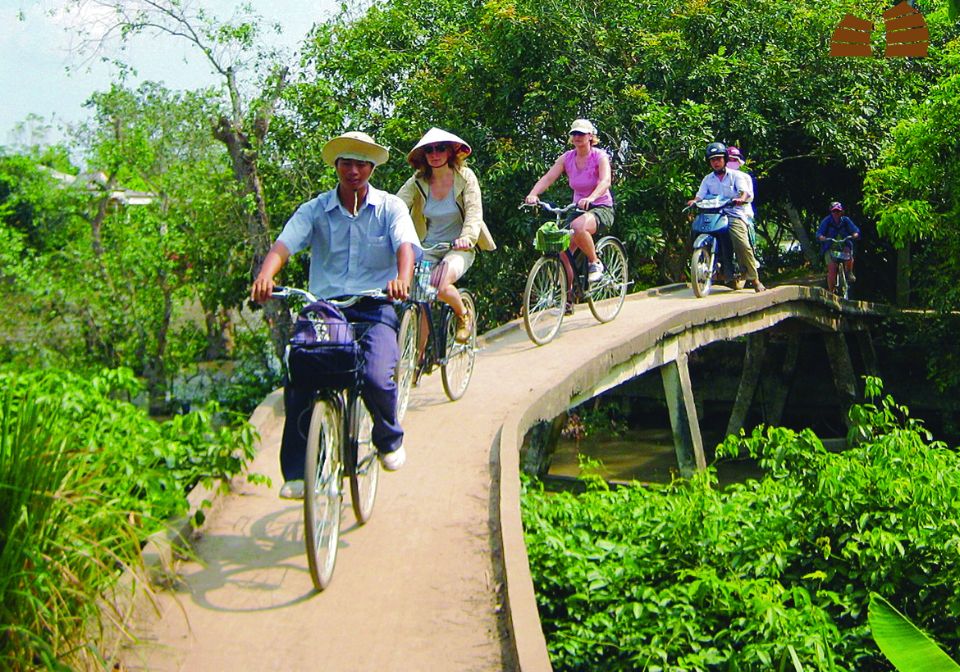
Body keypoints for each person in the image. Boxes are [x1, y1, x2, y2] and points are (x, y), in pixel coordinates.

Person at [250, 131, 421, 499]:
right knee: (301, 369)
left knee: (376, 375)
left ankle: (388, 438)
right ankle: (298, 472)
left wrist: (401, 280)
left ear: (372, 168)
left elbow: (405, 245)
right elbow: (285, 243)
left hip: (375, 305)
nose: (354, 170)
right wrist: (267, 274)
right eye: (347, 162)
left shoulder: (390, 207)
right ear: (336, 167)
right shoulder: (315, 209)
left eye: (361, 163)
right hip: (326, 307)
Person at [397, 128, 496, 343]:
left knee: (439, 283)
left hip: (459, 247)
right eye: (429, 149)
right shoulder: (417, 182)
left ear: (450, 151)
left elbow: (474, 211)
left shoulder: (465, 177)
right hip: (428, 249)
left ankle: (463, 314)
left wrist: (467, 238)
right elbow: (396, 207)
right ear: (423, 155)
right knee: (421, 303)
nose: (435, 154)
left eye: (440, 148)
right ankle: (417, 365)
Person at [524, 119, 615, 301]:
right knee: (562, 248)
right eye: (574, 134)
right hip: (577, 208)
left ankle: (594, 262)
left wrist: (591, 198)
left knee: (579, 227)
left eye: (581, 134)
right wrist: (533, 194)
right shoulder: (567, 158)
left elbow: (605, 181)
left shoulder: (599, 156)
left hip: (601, 207)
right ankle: (568, 295)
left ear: (591, 136)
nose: (577, 137)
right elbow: (548, 178)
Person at [686, 141, 766, 292]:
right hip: (714, 215)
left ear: (725, 159)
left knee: (741, 243)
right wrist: (694, 201)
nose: (715, 162)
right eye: (712, 160)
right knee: (694, 230)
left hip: (734, 214)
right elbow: (700, 196)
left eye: (718, 159)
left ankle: (754, 279)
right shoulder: (707, 179)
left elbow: (744, 192)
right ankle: (708, 262)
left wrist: (741, 199)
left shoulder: (737, 176)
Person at [816, 201, 861, 293]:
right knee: (832, 270)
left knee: (848, 253)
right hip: (830, 248)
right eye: (834, 211)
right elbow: (819, 233)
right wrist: (822, 237)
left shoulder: (846, 220)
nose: (836, 214)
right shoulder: (827, 221)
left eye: (838, 211)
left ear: (841, 212)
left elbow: (855, 230)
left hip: (844, 246)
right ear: (831, 212)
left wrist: (855, 234)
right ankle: (831, 292)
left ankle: (849, 272)